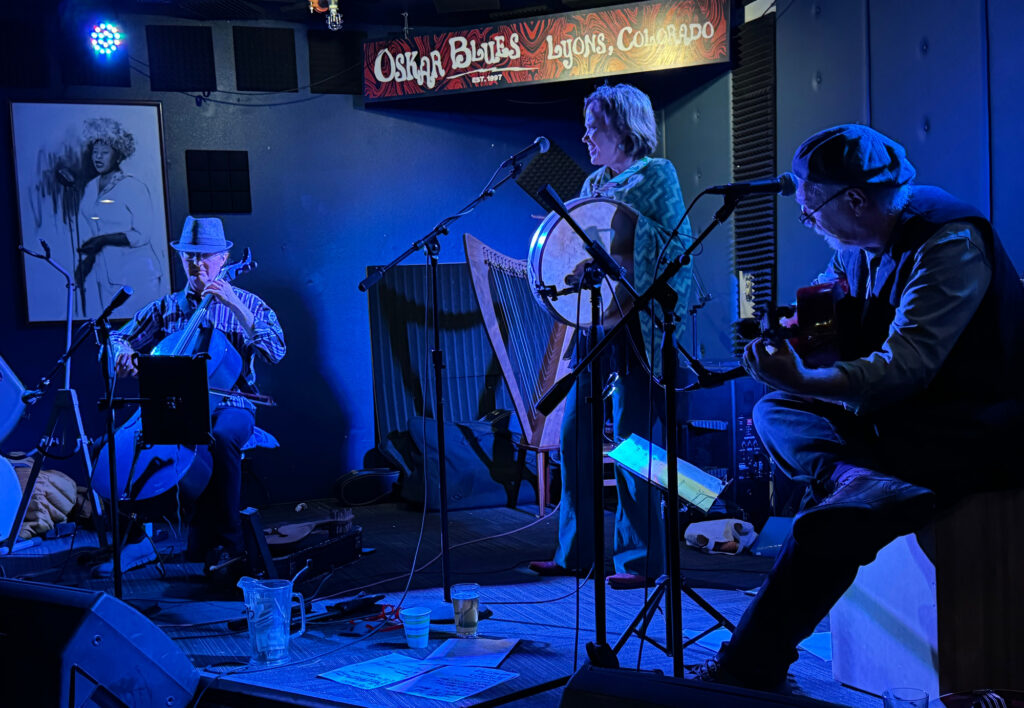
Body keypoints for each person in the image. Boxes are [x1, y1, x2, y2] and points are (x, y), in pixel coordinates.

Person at [695, 124, 1024, 689]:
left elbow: (906, 367)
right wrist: (801, 340)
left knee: (828, 529)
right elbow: (832, 307)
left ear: (854, 200)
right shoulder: (858, 244)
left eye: (811, 210)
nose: (810, 222)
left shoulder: (949, 244)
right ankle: (856, 478)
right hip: (901, 424)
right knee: (775, 410)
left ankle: (750, 664)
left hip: (971, 432)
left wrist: (807, 375)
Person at [529, 83, 694, 590]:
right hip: (596, 322)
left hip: (639, 326)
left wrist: (616, 259)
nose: (585, 134)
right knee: (575, 432)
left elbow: (671, 249)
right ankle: (575, 553)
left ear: (625, 128)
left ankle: (642, 560)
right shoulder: (595, 180)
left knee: (634, 441)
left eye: (595, 124)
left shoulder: (656, 177)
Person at [109, 216, 286, 575]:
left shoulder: (248, 303)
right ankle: (136, 542)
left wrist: (235, 304)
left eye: (206, 256)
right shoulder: (168, 306)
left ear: (224, 258)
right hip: (176, 404)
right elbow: (119, 336)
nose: (197, 264)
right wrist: (120, 354)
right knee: (118, 444)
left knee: (219, 436)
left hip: (233, 401)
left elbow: (276, 351)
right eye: (189, 256)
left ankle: (228, 544)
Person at [76, 117, 165, 318]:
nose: (98, 157)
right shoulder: (90, 188)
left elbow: (142, 234)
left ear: (117, 155)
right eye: (95, 152)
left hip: (138, 276)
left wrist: (102, 240)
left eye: (104, 153)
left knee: (141, 333)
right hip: (106, 276)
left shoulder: (133, 187)